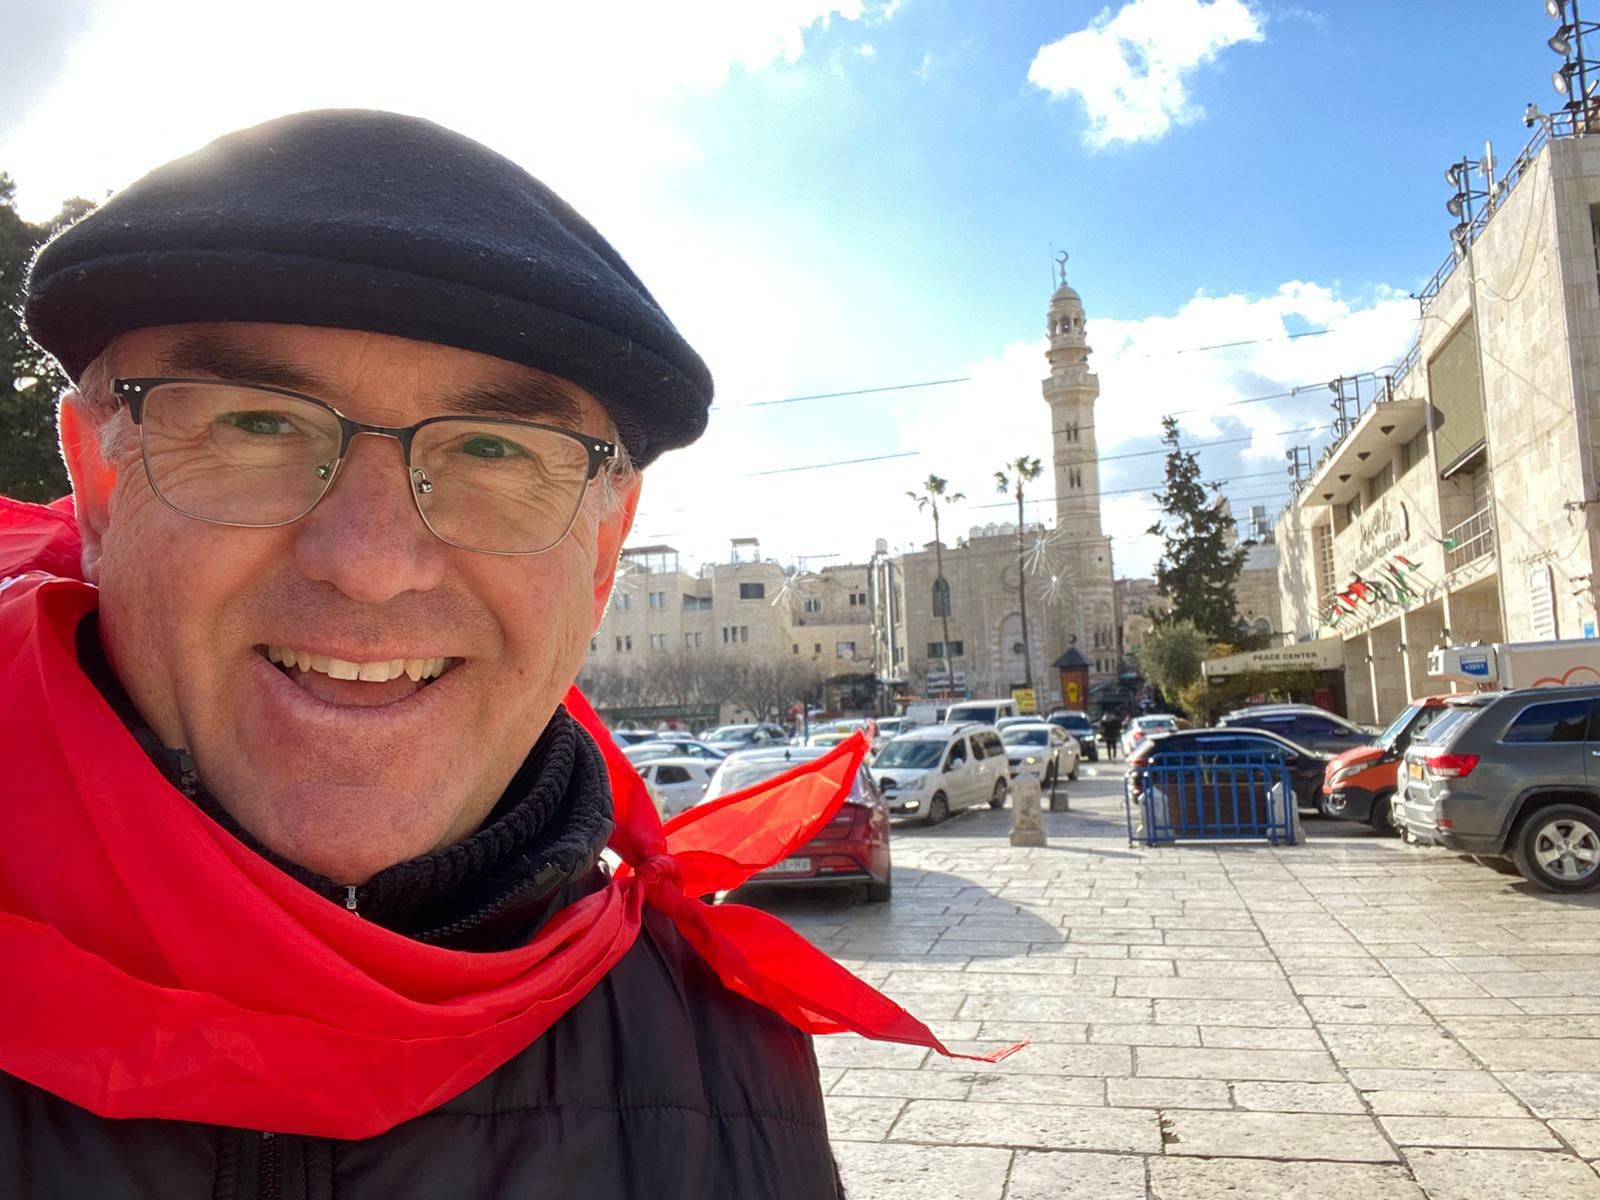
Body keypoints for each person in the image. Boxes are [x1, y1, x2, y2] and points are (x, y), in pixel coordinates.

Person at [0, 110, 1002, 1199]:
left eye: (493, 449)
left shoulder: (732, 1059)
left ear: (605, 550)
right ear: (99, 488)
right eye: (256, 425)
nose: (372, 564)